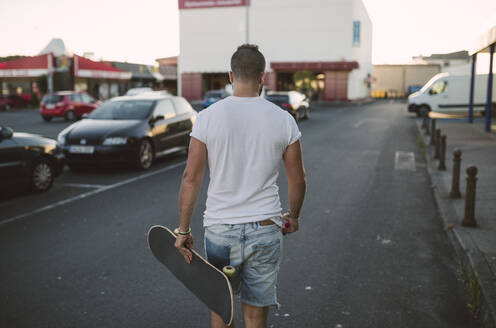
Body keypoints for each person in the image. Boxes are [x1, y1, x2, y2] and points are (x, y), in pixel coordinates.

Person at [174, 44, 306, 328]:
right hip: (266, 226)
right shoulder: (284, 119)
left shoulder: (207, 117)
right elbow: (298, 179)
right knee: (256, 312)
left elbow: (191, 177)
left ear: (230, 76)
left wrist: (183, 230)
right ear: (263, 77)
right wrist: (293, 216)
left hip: (220, 230)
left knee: (222, 306)